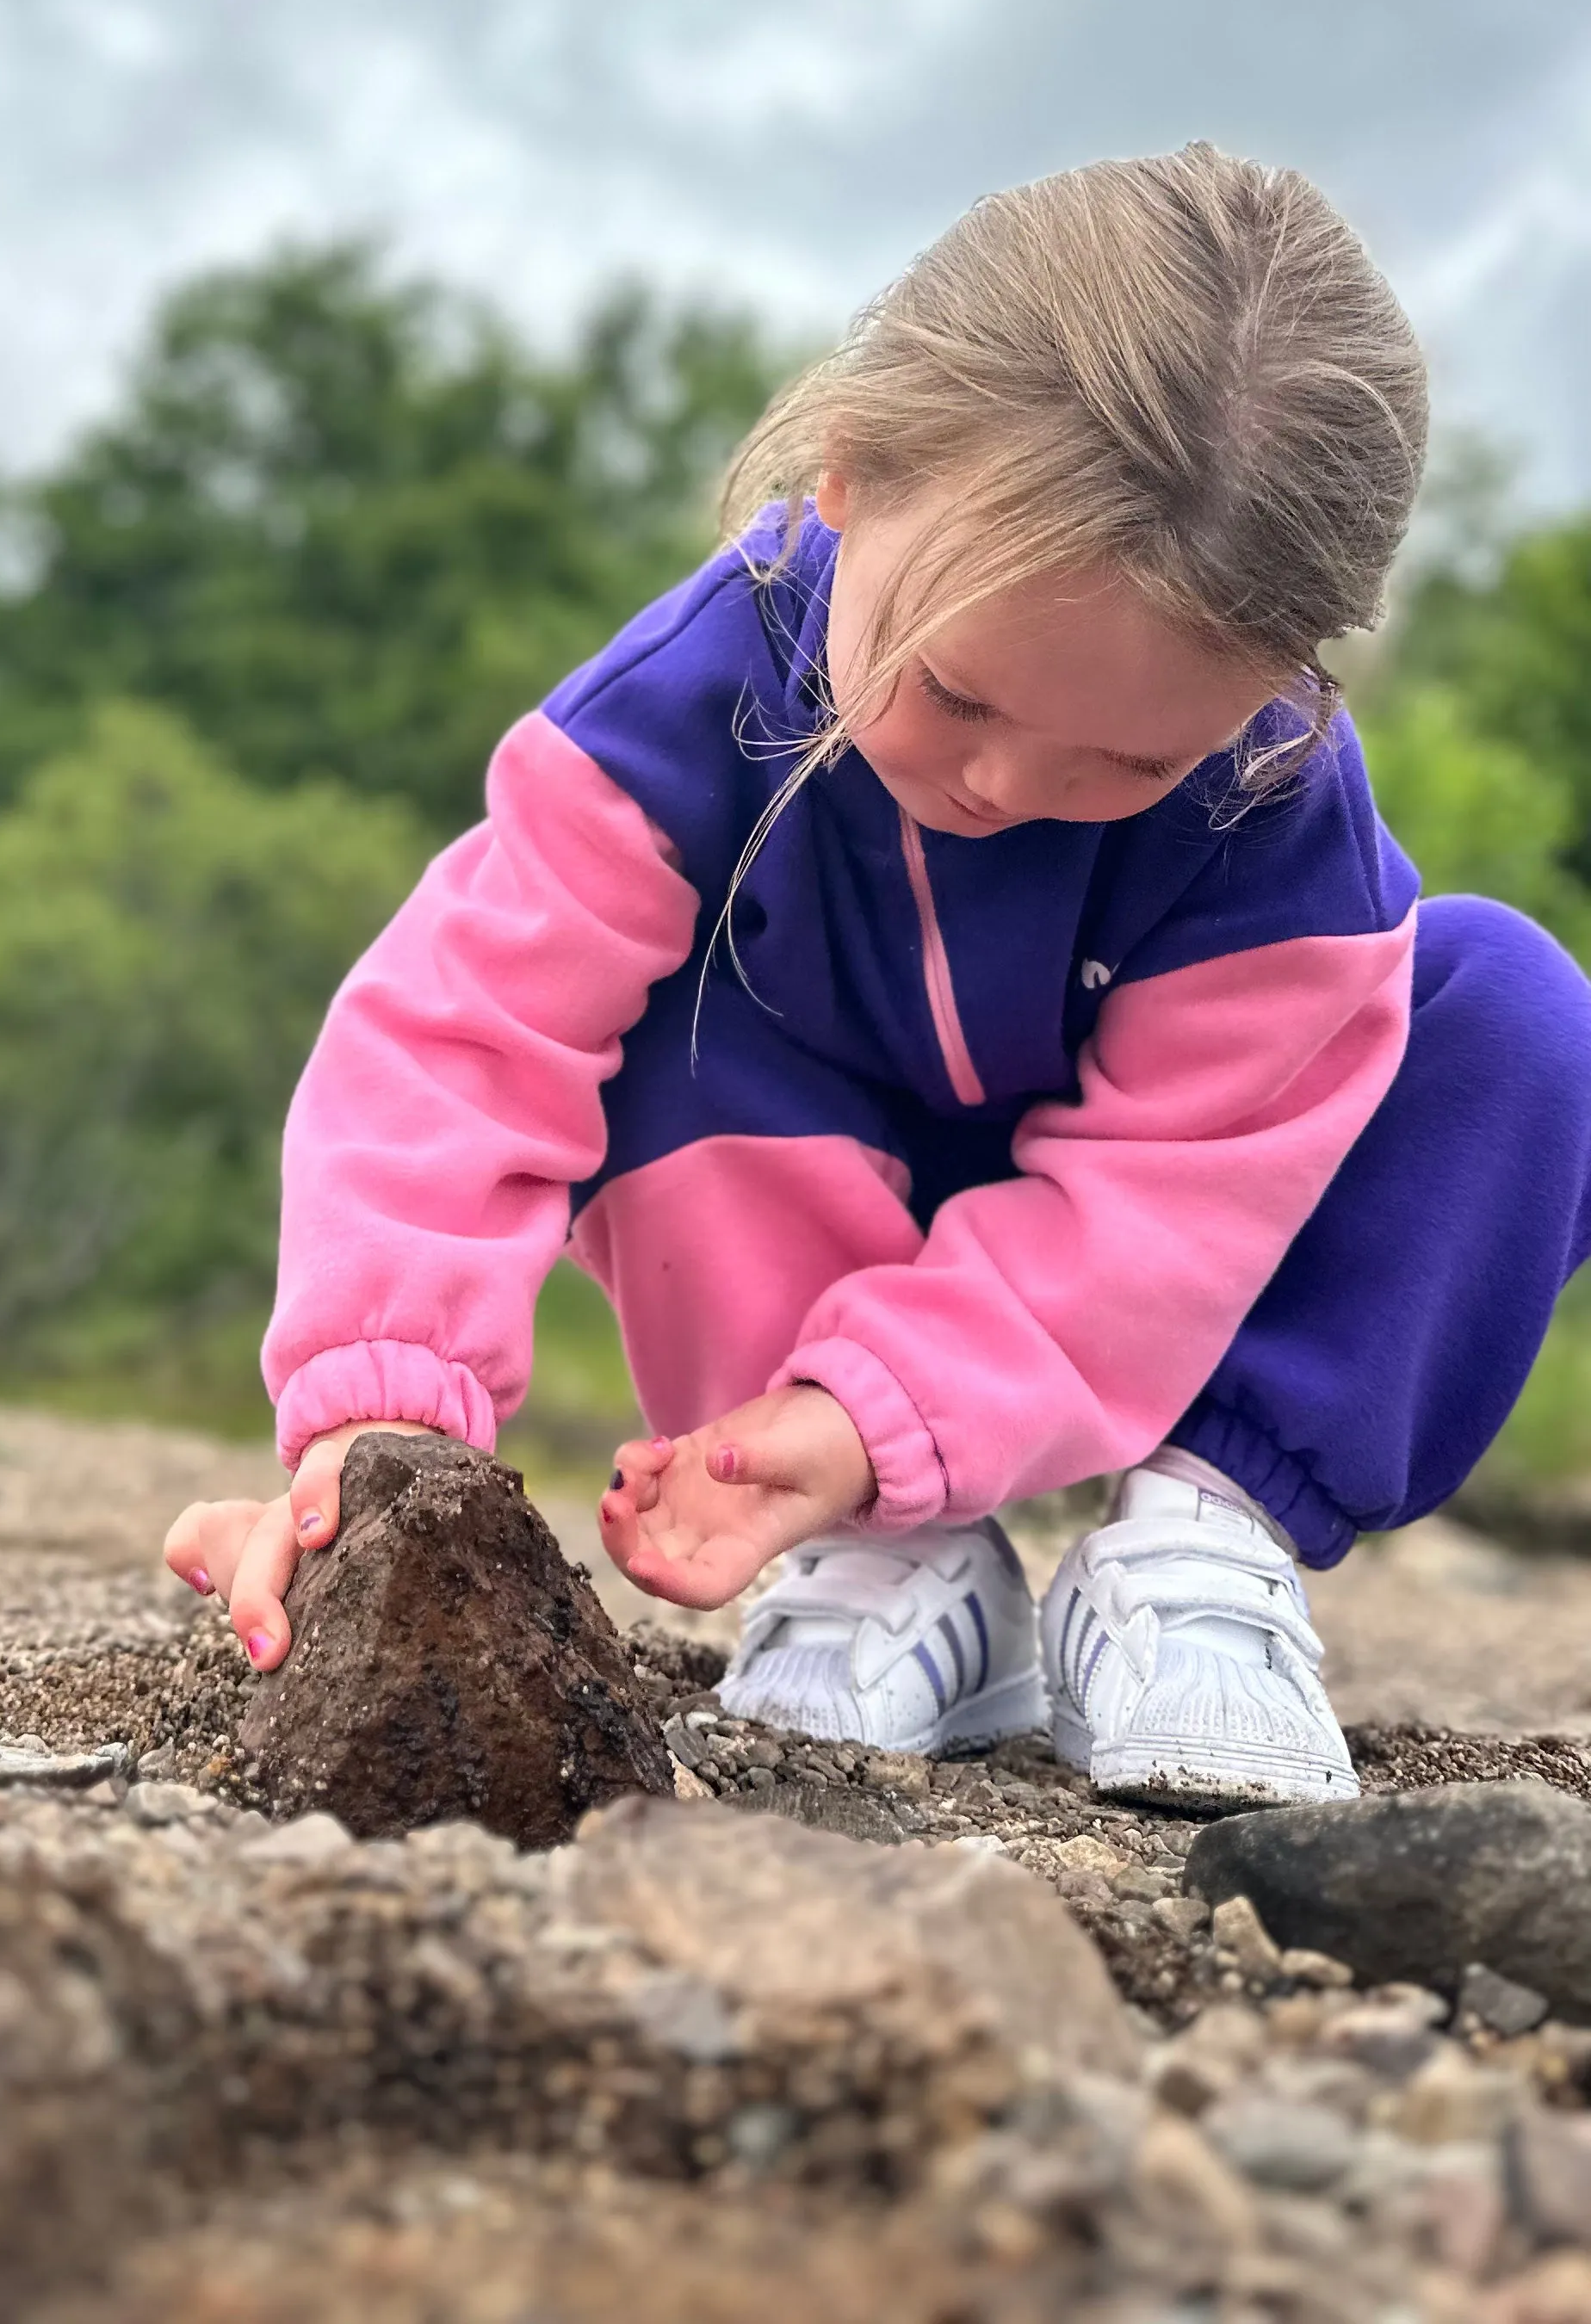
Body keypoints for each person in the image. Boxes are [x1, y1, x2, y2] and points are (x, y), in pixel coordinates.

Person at [163, 146, 1591, 1808]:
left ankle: (1203, 1550)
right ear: (851, 469)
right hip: (816, 1222)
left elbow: (1166, 1205)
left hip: (1172, 1274)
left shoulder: (1277, 820)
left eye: (1124, 761)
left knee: (1513, 1011)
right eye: (958, 696)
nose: (998, 788)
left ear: (1278, 685)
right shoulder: (675, 720)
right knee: (665, 1007)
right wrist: (381, 1431)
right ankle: (897, 1561)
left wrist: (894, 1401)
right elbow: (462, 1044)